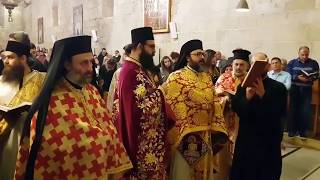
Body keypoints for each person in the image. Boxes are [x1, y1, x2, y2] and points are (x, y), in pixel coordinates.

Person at [15, 36, 132, 179]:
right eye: (83, 63)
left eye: (91, 62)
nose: (90, 68)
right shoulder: (51, 102)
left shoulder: (92, 91)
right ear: (66, 64)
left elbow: (109, 127)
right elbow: (49, 149)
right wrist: (95, 143)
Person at [162, 39, 228, 179]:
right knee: (185, 172)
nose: (202, 57)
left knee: (203, 171)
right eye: (197, 54)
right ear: (187, 57)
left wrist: (220, 108)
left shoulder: (206, 77)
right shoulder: (176, 77)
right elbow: (173, 103)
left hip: (206, 131)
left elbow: (214, 99)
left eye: (202, 54)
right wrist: (186, 125)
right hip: (186, 134)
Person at [114, 27, 173, 179]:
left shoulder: (139, 69)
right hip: (140, 145)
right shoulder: (129, 72)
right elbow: (135, 108)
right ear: (139, 47)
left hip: (150, 143)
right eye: (151, 47)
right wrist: (161, 93)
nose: (154, 51)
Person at [230, 52, 287, 180]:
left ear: (267, 66)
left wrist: (263, 95)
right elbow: (238, 109)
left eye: (262, 64)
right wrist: (247, 98)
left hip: (268, 141)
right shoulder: (243, 86)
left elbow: (279, 113)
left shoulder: (278, 88)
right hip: (247, 140)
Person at [0, 39, 46, 180]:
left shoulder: (42, 80)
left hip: (29, 145)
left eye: (11, 57)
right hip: (3, 143)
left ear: (23, 58)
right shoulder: (1, 81)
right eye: (4, 57)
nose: (6, 61)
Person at [286, 46, 319, 137]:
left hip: (307, 89)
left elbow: (317, 75)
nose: (304, 56)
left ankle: (302, 131)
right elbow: (288, 74)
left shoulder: (313, 63)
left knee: (305, 110)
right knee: (293, 109)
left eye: (306, 54)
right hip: (295, 88)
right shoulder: (292, 62)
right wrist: (297, 77)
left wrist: (310, 78)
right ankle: (292, 130)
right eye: (302, 54)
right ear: (298, 54)